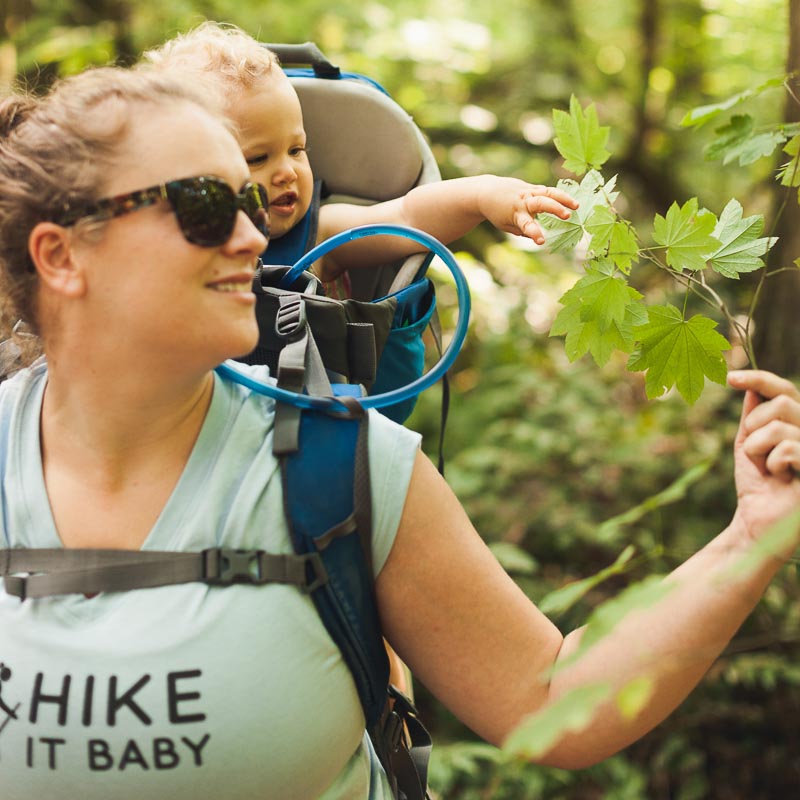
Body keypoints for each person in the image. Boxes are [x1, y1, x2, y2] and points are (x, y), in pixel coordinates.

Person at [0, 64, 799, 800]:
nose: (252, 238)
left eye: (248, 203)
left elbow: (553, 695)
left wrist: (753, 535)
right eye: (207, 208)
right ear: (61, 255)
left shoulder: (338, 465)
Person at [141, 22, 580, 294]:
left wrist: (484, 195)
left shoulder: (316, 239)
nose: (288, 172)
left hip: (300, 430)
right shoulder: (152, 248)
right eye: (257, 159)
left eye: (297, 149)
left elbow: (408, 217)